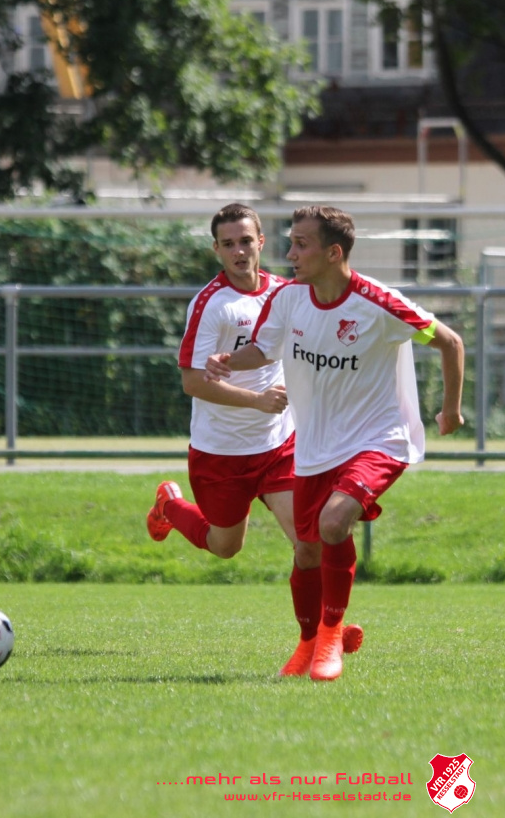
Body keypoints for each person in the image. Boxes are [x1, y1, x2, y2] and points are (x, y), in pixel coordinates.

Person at [205, 205, 465, 682]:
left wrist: (450, 410)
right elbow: (263, 349)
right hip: (314, 449)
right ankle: (307, 643)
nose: (289, 253)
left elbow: (450, 341)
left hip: (378, 440)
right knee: (306, 552)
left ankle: (330, 636)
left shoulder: (377, 302)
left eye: (300, 244)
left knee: (334, 521)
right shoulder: (289, 299)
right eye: (290, 242)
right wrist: (228, 361)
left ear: (333, 253)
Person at [145, 203, 363, 663]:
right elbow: (192, 382)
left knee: (309, 541)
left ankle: (327, 631)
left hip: (280, 445)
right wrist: (257, 400)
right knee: (225, 546)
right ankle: (169, 505)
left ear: (261, 242)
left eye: (246, 241)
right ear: (216, 250)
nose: (239, 251)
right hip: (220, 451)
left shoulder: (287, 292)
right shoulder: (212, 304)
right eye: (228, 244)